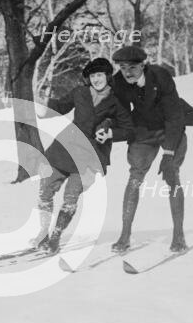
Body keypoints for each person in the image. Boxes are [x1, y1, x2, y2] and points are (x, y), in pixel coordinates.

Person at [34, 57, 134, 253]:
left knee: (70, 197)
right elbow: (60, 106)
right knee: (45, 191)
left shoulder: (117, 101)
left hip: (91, 155)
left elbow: (129, 129)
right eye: (93, 75)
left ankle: (55, 238)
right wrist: (43, 105)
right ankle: (43, 232)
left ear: (107, 76)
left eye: (100, 75)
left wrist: (111, 133)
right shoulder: (79, 92)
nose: (96, 79)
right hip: (64, 150)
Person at [109, 45, 188, 253]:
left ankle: (179, 236)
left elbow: (174, 115)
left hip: (171, 127)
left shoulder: (160, 76)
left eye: (132, 67)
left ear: (144, 65)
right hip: (144, 129)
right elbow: (119, 113)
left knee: (171, 174)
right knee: (135, 176)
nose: (127, 72)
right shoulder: (118, 81)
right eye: (123, 67)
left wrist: (169, 152)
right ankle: (124, 236)